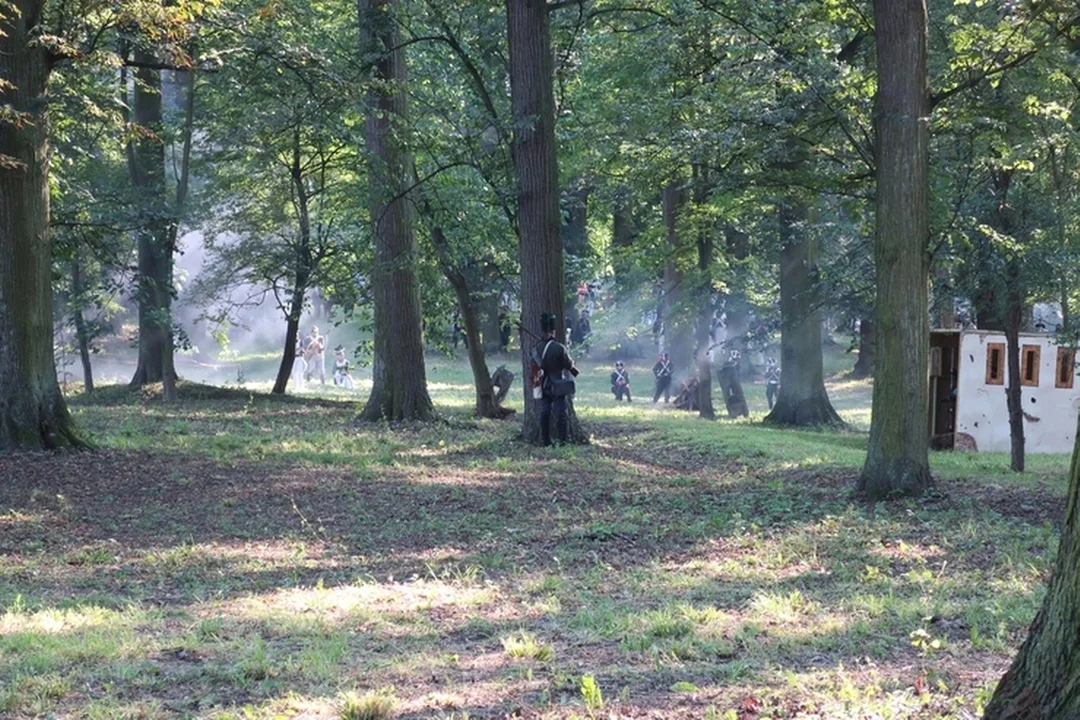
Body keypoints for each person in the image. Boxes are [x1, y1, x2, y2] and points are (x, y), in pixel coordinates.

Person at [532, 312, 576, 446]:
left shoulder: (536, 348)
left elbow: (534, 366)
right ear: (553, 332)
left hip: (543, 384)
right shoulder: (559, 348)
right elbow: (568, 365)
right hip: (558, 383)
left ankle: (546, 441)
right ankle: (562, 441)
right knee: (560, 413)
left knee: (545, 412)